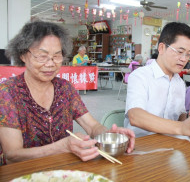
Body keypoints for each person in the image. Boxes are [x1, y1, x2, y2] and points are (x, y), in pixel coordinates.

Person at [0, 21, 135, 165]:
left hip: (63, 170)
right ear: (23, 55)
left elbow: (92, 126)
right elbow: (12, 154)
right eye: (42, 56)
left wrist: (107, 135)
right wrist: (61, 147)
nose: (51, 63)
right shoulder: (8, 92)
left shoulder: (64, 88)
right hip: (24, 173)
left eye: (57, 56)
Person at [124, 22, 190, 138]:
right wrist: (181, 128)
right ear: (161, 48)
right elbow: (135, 116)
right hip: (140, 144)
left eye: (188, 54)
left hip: (171, 142)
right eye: (180, 52)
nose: (184, 59)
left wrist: (188, 116)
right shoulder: (140, 76)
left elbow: (178, 116)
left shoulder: (179, 83)